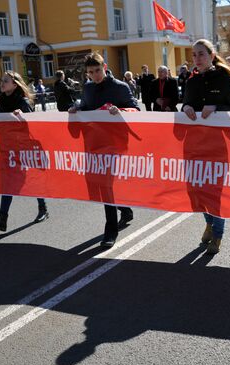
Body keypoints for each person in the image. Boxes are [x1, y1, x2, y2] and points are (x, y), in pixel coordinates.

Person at [68, 51, 139, 249]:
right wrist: (76, 107)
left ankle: (111, 230)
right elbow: (86, 104)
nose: (95, 75)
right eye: (91, 72)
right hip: (95, 143)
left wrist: (121, 111)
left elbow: (137, 111)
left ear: (105, 68)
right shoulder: (89, 87)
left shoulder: (120, 87)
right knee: (102, 184)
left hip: (115, 143)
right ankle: (125, 210)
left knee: (106, 184)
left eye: (98, 70)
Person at [181, 39, 230, 254]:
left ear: (211, 54)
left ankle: (217, 234)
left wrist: (216, 107)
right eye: (194, 55)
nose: (197, 58)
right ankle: (209, 222)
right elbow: (185, 106)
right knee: (197, 190)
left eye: (201, 54)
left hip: (218, 145)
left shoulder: (224, 78)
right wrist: (187, 107)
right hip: (194, 145)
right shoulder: (191, 81)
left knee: (215, 192)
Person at [0, 71, 49, 231]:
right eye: (1, 80)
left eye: (6, 81)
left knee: (31, 179)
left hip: (24, 148)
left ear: (15, 84)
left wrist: (22, 117)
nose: (2, 83)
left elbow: (32, 126)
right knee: (8, 182)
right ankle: (2, 219)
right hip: (8, 147)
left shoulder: (23, 101)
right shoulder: (3, 100)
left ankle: (43, 209)